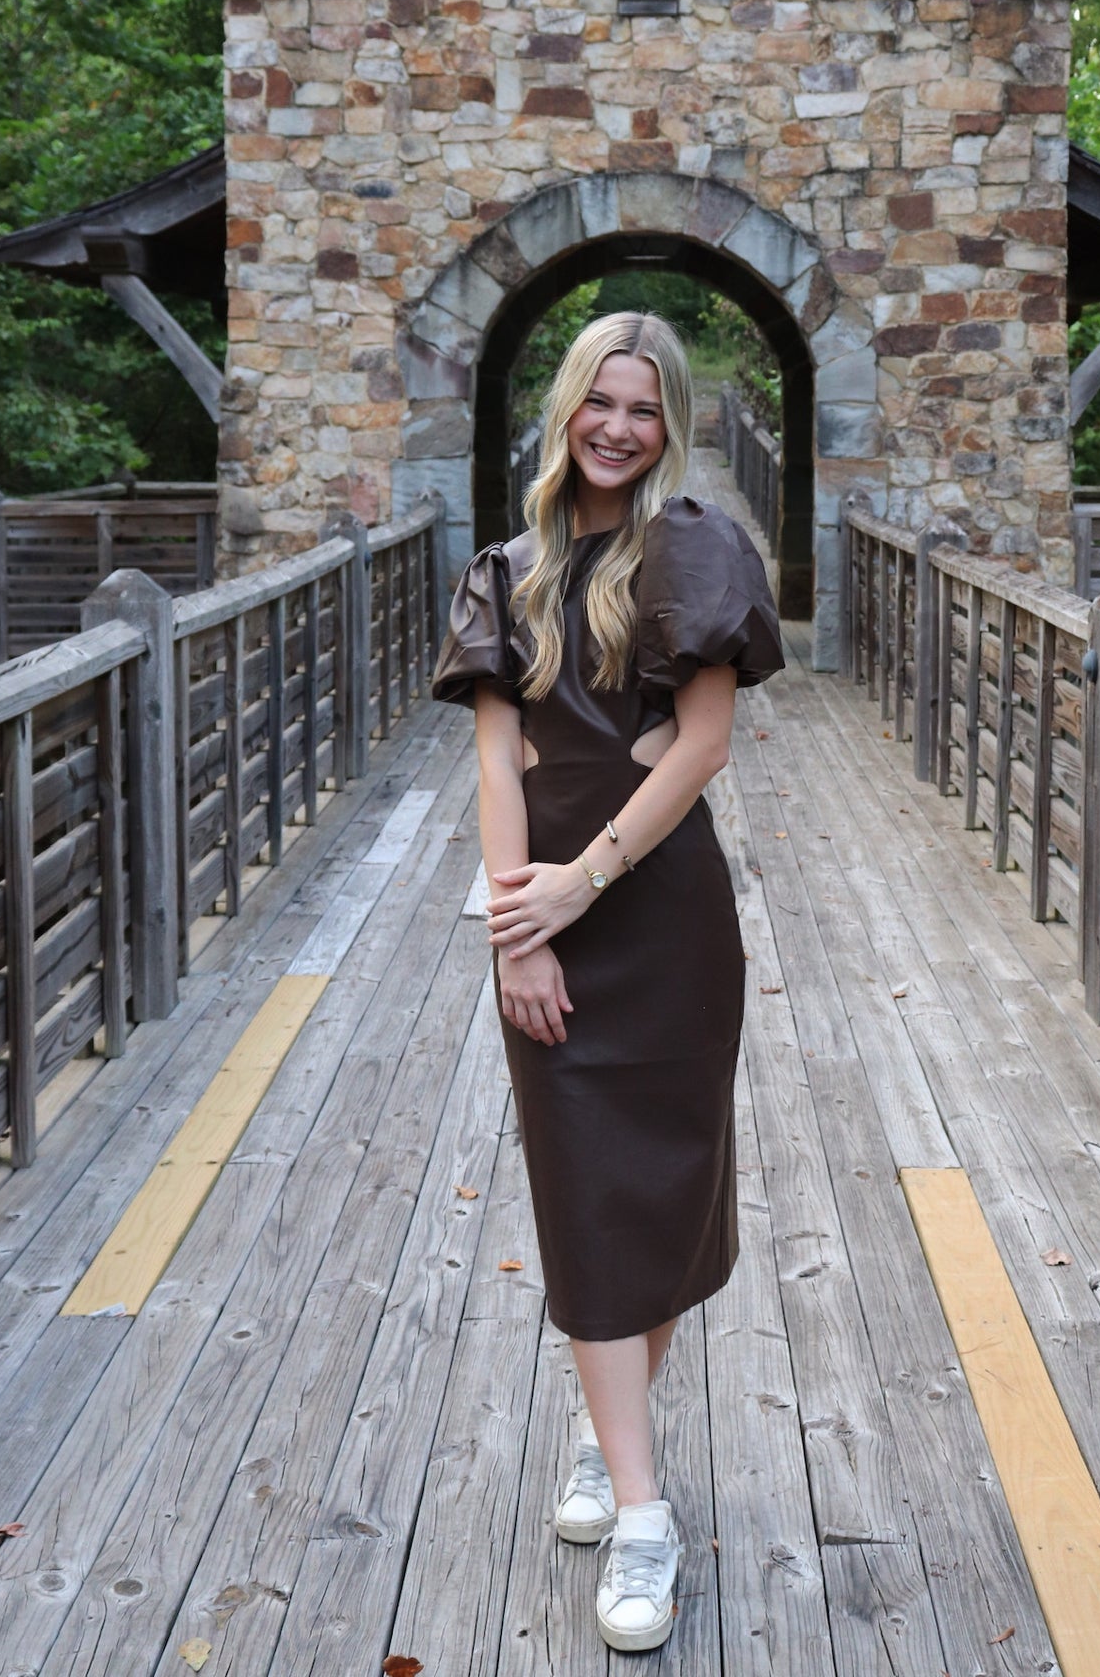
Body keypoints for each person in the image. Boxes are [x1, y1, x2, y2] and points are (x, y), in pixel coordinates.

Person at [431, 309, 784, 1652]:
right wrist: (521, 926)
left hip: (660, 914)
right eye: (601, 403)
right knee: (584, 1193)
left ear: (666, 420)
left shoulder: (691, 546)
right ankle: (643, 1513)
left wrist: (588, 880)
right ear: (566, 407)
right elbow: (494, 764)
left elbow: (701, 744)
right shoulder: (504, 571)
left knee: (659, 1193)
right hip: (548, 919)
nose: (620, 429)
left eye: (644, 407)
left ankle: (606, 1448)